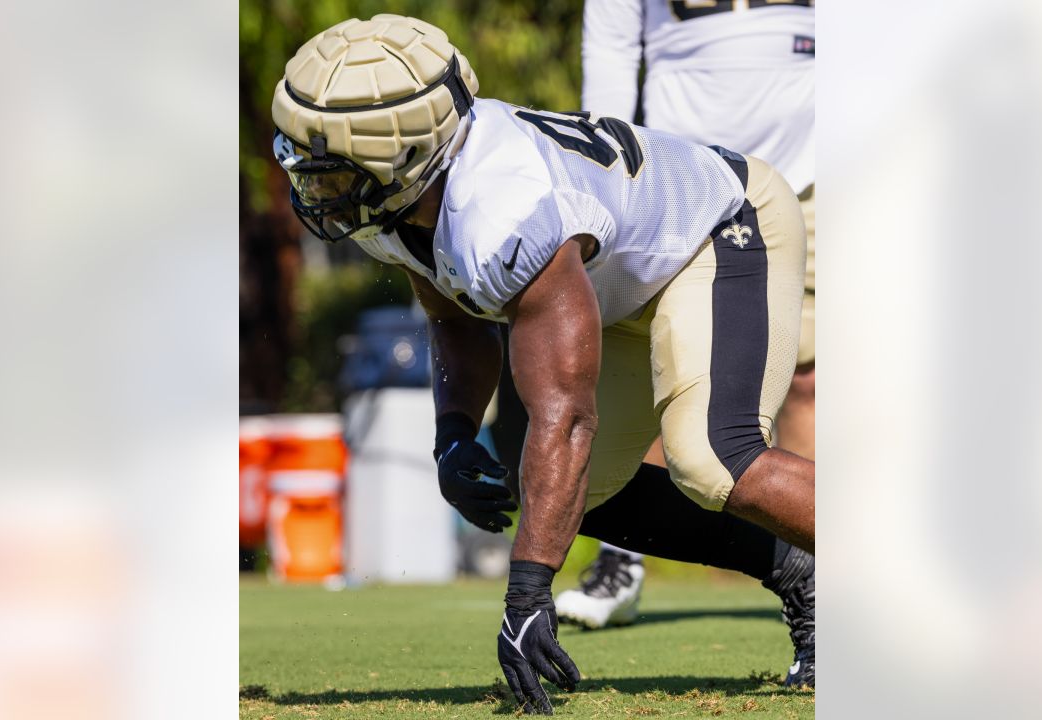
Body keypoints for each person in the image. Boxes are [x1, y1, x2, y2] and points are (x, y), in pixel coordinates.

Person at [270, 14, 814, 713]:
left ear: (397, 160)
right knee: (557, 496)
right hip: (626, 280)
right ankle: (797, 572)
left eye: (333, 173)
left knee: (713, 455)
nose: (316, 192)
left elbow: (568, 415)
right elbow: (454, 317)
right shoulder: (411, 195)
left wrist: (528, 591)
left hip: (722, 228)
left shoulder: (504, 206)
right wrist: (455, 432)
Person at [554, 0, 816, 660]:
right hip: (677, 180)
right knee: (652, 382)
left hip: (811, 169)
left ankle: (837, 583)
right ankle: (623, 561)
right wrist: (606, 169)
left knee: (800, 384)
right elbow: (612, 48)